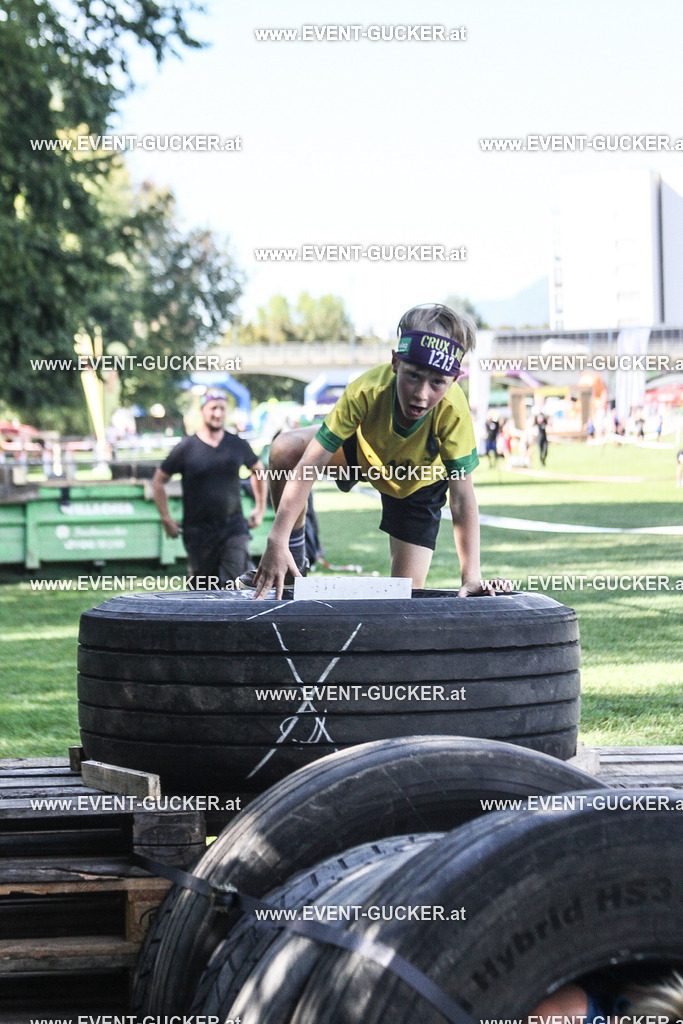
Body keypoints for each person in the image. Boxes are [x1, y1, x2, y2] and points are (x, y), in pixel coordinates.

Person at [247, 302, 506, 600]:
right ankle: (295, 562)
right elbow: (309, 463)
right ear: (395, 362)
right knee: (284, 448)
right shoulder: (365, 390)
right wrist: (277, 540)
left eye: (437, 382)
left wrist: (471, 576)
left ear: (455, 379)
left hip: (417, 487)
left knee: (404, 599)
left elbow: (461, 496)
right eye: (413, 376)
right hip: (363, 456)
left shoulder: (453, 411)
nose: (422, 395)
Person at [152, 389, 267, 588]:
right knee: (203, 591)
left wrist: (260, 508)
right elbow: (158, 481)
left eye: (222, 408)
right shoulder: (186, 448)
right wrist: (166, 517)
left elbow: (258, 470)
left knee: (236, 586)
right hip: (198, 533)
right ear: (203, 411)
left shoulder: (236, 444)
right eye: (213, 408)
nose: (218, 413)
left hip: (233, 528)